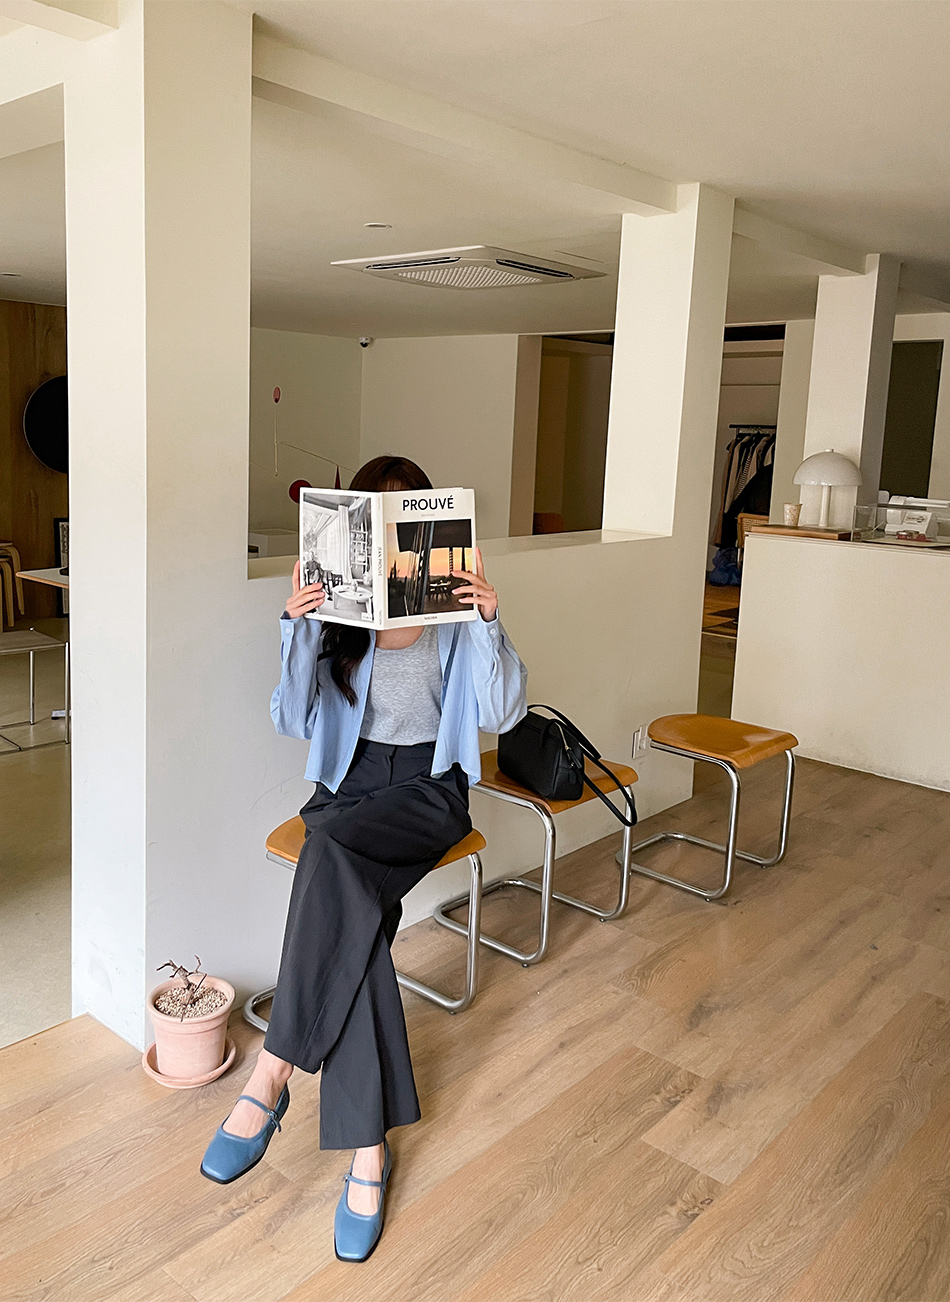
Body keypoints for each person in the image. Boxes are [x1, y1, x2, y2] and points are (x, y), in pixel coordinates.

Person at [200, 455, 527, 1263]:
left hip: (428, 788)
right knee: (357, 918)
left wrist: (488, 620)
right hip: (348, 787)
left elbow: (502, 711)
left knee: (331, 858)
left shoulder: (453, 609)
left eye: (402, 513)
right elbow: (291, 718)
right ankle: (367, 1150)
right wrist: (298, 626)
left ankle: (274, 1071)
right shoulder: (341, 612)